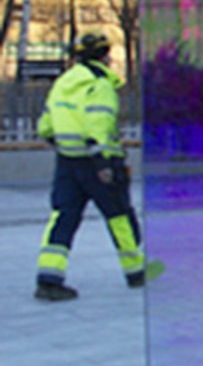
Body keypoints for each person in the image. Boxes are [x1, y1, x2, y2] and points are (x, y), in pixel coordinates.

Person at [32, 33, 150, 301]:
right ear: (104, 56)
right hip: (97, 162)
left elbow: (45, 126)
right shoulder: (99, 85)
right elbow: (99, 125)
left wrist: (63, 143)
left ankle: (48, 279)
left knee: (63, 217)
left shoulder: (63, 82)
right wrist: (102, 162)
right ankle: (136, 273)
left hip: (67, 162)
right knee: (119, 216)